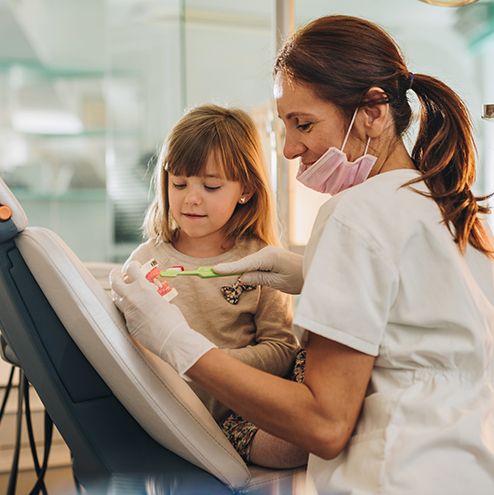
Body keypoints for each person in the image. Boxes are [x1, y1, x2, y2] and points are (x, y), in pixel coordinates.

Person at [111, 15, 494, 494]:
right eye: (284, 126)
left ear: (373, 112)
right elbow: (424, 336)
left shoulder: (355, 215)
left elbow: (325, 425)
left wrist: (175, 341)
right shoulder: (456, 214)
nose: (290, 149)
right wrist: (311, 274)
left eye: (304, 124)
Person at [122, 103, 307, 468]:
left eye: (210, 186)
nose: (191, 198)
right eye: (179, 183)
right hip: (172, 419)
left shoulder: (263, 263)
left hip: (242, 416)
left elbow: (281, 349)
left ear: (246, 191)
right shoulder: (146, 262)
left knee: (299, 445)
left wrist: (213, 365)